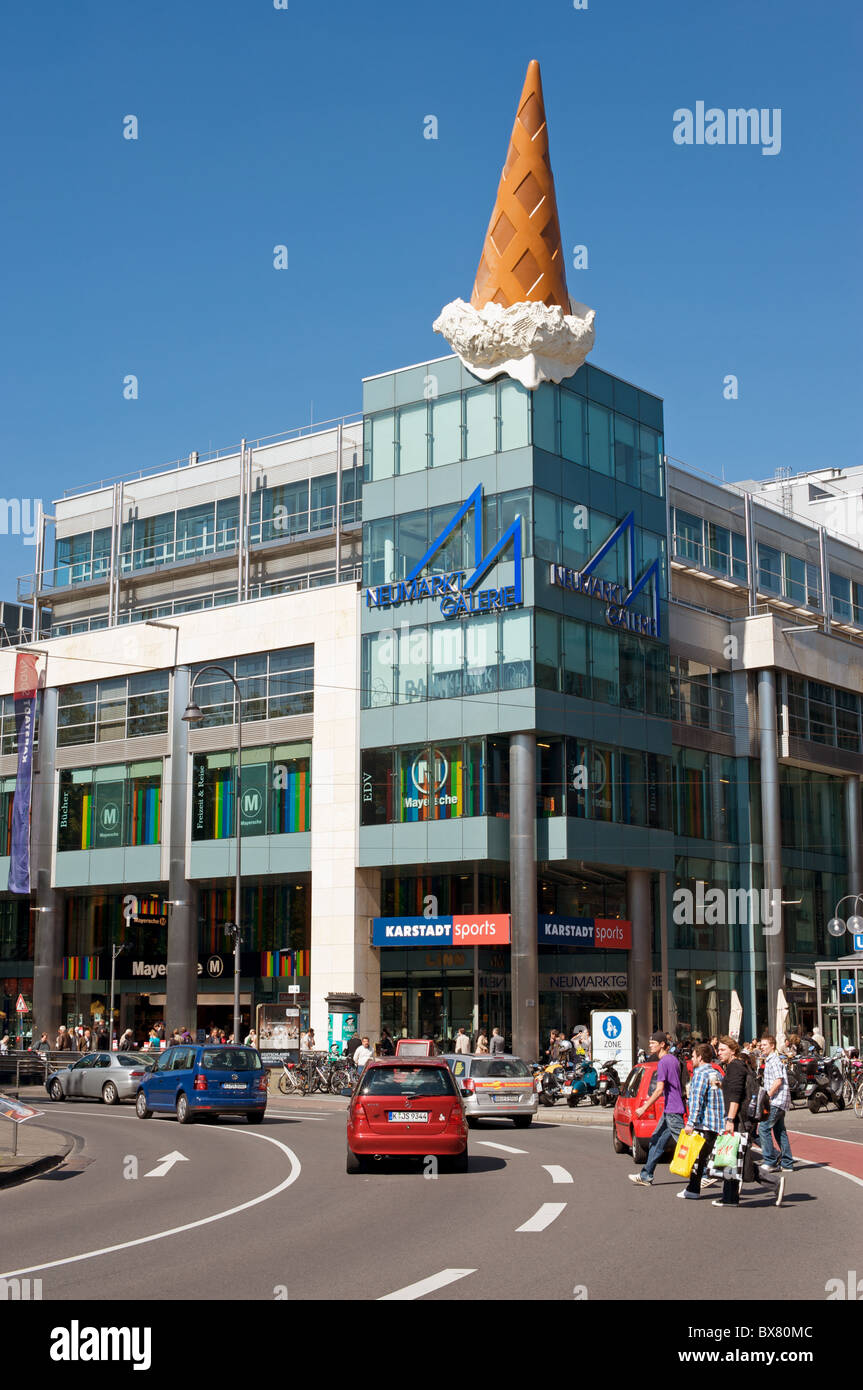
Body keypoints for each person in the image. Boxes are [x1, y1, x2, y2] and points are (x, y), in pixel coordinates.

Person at [629, 1031, 686, 1188]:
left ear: (662, 1045)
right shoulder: (673, 1060)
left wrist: (644, 1107)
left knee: (685, 1143)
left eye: (653, 1043)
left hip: (673, 1110)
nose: (650, 1045)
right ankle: (646, 1175)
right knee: (656, 1140)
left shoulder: (663, 1062)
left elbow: (659, 1089)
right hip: (670, 1109)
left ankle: (705, 1172)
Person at [679, 1044, 725, 1199]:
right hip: (716, 1122)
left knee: (697, 1159)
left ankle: (693, 1190)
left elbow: (696, 1099)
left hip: (704, 1123)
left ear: (699, 1057)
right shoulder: (716, 1073)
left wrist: (691, 1122)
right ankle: (693, 1189)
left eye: (693, 1056)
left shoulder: (699, 1074)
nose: (692, 1060)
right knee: (704, 1158)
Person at [712, 1035, 752, 1207]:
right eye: (718, 1049)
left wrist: (730, 1119)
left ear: (733, 1050)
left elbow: (735, 1096)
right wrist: (722, 1085)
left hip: (737, 1118)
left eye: (722, 1050)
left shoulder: (735, 1067)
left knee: (734, 1156)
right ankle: (729, 1197)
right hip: (737, 1117)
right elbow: (734, 1089)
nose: (719, 1053)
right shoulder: (733, 1066)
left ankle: (772, 1182)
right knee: (731, 1157)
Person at [758, 1034, 793, 1205]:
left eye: (764, 1044)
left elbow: (778, 1081)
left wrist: (768, 1096)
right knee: (780, 1131)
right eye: (761, 1045)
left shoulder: (774, 1060)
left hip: (776, 1101)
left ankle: (770, 1160)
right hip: (781, 1101)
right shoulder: (771, 1060)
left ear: (772, 1045)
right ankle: (787, 1162)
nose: (761, 1047)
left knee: (763, 1128)